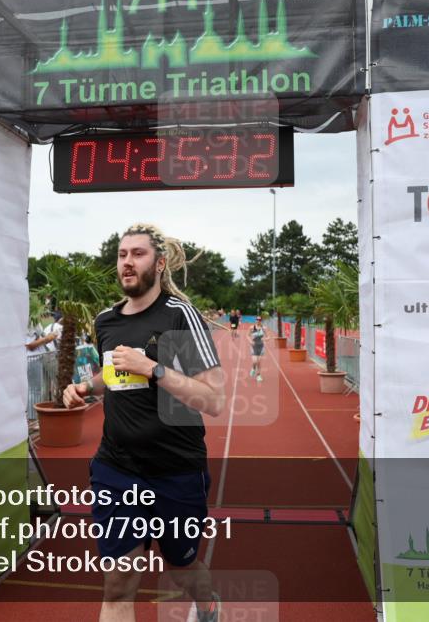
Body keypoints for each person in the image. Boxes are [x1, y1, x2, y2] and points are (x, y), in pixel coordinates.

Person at [63, 223, 225, 622]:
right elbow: (115, 377)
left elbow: (212, 399)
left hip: (175, 472)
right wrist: (85, 388)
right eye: (122, 255)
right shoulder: (106, 321)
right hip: (117, 470)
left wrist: (153, 368)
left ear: (160, 262)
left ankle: (207, 605)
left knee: (182, 569)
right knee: (117, 587)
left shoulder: (179, 316)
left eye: (138, 254)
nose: (128, 262)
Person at [248, 316, 266, 382]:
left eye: (259, 320)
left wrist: (266, 339)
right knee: (255, 361)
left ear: (261, 321)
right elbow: (247, 335)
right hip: (254, 346)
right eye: (257, 319)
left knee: (259, 361)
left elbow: (268, 336)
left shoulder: (263, 328)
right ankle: (253, 368)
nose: (258, 321)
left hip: (261, 346)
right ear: (255, 320)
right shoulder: (252, 327)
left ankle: (258, 375)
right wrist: (250, 341)